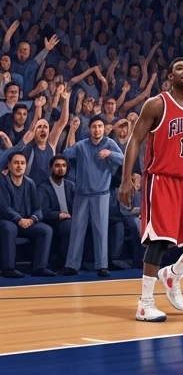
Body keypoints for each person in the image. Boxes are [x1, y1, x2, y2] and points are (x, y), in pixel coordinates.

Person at [118, 58, 183, 323]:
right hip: (161, 178)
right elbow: (135, 138)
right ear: (169, 77)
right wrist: (126, 178)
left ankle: (174, 273)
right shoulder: (157, 104)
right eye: (180, 68)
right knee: (160, 240)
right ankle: (145, 304)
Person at [60, 115, 124, 276]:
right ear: (89, 129)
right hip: (81, 193)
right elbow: (66, 155)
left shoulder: (110, 144)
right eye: (94, 126)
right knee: (77, 230)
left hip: (101, 194)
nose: (97, 130)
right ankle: (71, 265)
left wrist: (110, 153)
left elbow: (124, 158)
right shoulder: (81, 145)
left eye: (100, 126)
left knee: (101, 230)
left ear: (104, 128)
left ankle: (102, 265)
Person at [0, 153, 55, 277]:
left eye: (22, 163)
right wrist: (18, 219)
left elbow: (38, 209)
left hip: (26, 223)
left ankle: (39, 268)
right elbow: (3, 207)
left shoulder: (30, 183)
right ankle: (8, 269)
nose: (19, 166)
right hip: (7, 221)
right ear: (9, 165)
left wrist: (32, 219)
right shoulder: (2, 181)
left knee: (46, 230)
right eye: (16, 163)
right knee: (9, 227)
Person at [38, 155, 75, 269]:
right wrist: (59, 215)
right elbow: (42, 211)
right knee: (69, 226)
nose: (61, 168)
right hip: (53, 221)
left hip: (70, 219)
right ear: (51, 168)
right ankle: (65, 263)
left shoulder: (71, 185)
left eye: (63, 166)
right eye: (57, 165)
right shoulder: (43, 187)